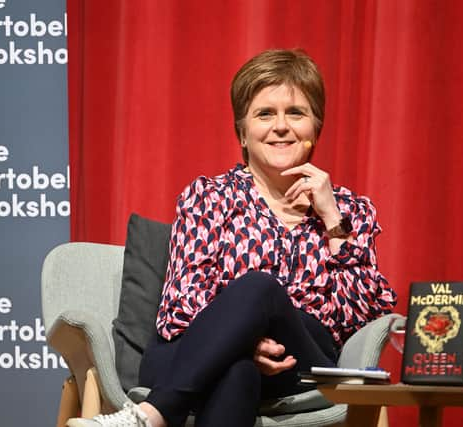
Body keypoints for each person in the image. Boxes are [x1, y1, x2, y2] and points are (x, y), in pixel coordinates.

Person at [67, 48, 397, 427]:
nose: (281, 126)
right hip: (193, 351)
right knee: (237, 370)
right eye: (264, 114)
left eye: (296, 113)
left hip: (300, 361)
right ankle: (160, 408)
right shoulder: (208, 197)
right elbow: (183, 304)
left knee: (260, 288)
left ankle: (150, 415)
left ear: (315, 128)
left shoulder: (350, 210)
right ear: (242, 132)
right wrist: (239, 342)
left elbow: (363, 317)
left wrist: (331, 217)